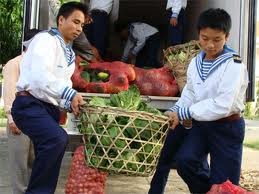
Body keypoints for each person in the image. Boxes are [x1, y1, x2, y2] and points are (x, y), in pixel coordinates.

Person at [148, 8, 249, 194]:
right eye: (204, 38)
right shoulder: (196, 62)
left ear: (227, 36)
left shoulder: (234, 65)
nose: (210, 45)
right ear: (198, 34)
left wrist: (186, 113)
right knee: (186, 161)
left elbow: (223, 104)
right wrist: (177, 109)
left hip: (227, 128)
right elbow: (190, 92)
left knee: (225, 183)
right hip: (202, 125)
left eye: (217, 39)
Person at [10, 2, 87, 194]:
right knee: (56, 139)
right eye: (75, 22)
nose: (79, 28)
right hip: (29, 105)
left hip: (46, 108)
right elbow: (39, 78)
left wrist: (69, 103)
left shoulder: (68, 52)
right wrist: (70, 94)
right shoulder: (45, 40)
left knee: (51, 150)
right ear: (61, 20)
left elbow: (58, 87)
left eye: (82, 25)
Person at [3, 29, 41, 194]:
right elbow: (10, 92)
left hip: (37, 121)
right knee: (19, 167)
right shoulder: (15, 63)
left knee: (35, 162)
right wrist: (12, 119)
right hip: (19, 120)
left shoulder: (38, 66)